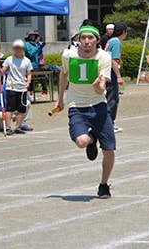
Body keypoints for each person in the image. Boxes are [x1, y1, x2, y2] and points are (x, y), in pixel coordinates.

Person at [54, 20, 115, 199]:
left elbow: (102, 88)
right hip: (77, 106)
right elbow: (64, 74)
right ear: (79, 39)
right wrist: (59, 99)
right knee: (81, 141)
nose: (87, 41)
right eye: (83, 38)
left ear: (97, 40)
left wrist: (99, 86)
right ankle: (90, 139)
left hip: (98, 105)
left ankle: (104, 185)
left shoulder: (104, 57)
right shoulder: (68, 55)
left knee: (109, 150)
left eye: (90, 38)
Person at [1, 39, 33, 135]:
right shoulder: (9, 59)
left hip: (22, 87)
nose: (18, 50)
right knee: (9, 107)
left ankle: (18, 126)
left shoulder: (26, 61)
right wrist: (0, 70)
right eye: (16, 48)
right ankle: (8, 127)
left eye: (20, 48)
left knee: (21, 108)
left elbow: (29, 73)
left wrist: (28, 82)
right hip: (11, 86)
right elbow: (3, 70)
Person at [105, 22, 127, 133]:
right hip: (111, 73)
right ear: (123, 32)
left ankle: (108, 123)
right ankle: (109, 124)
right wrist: (119, 76)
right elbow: (114, 60)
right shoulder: (117, 42)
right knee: (112, 100)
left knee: (109, 98)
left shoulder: (110, 40)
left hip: (106, 72)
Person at [25, 30, 47, 98]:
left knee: (34, 79)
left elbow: (38, 54)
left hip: (36, 64)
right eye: (31, 35)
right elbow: (30, 54)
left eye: (34, 35)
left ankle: (33, 94)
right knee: (29, 80)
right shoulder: (27, 44)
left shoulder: (36, 44)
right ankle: (29, 94)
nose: (32, 36)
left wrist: (40, 48)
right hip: (29, 65)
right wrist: (38, 48)